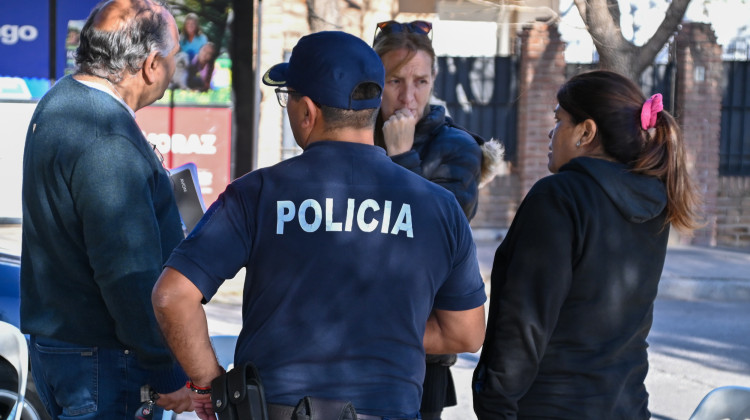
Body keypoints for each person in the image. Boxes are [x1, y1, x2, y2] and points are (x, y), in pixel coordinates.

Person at [151, 30, 487, 420]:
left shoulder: (256, 193)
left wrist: (210, 385)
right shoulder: (440, 207)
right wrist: (379, 329)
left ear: (307, 111)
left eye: (288, 98)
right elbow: (465, 332)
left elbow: (172, 296)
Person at [472, 70, 702, 419]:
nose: (552, 132)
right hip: (626, 406)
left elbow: (525, 322)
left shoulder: (559, 197)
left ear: (586, 131)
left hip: (551, 408)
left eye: (559, 120)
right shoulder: (654, 202)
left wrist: (495, 406)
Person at [20, 0, 193, 418]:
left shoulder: (62, 99)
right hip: (103, 360)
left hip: (69, 350)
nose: (175, 67)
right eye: (175, 58)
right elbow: (126, 273)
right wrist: (168, 371)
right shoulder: (106, 138)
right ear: (151, 65)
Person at [371, 20, 503, 420]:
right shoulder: (354, 134)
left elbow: (433, 236)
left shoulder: (458, 148)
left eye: (421, 81)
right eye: (395, 81)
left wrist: (402, 157)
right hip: (353, 330)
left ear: (434, 80)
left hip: (422, 344)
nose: (408, 96)